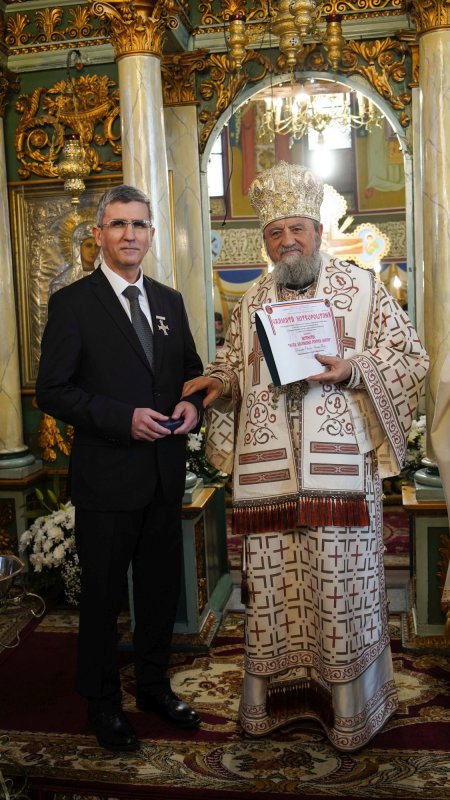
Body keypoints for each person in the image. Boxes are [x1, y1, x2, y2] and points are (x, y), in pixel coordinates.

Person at [183, 161, 429, 752]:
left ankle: (350, 711)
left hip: (341, 482)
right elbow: (235, 364)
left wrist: (354, 369)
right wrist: (220, 381)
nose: (287, 240)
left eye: (297, 228)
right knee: (275, 597)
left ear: (318, 231)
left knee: (340, 594)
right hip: (271, 482)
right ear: (266, 242)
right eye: (275, 232)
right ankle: (278, 703)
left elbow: (411, 358)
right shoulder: (251, 300)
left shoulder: (363, 290)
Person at [36, 184, 205, 753]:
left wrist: (193, 406)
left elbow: (190, 373)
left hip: (163, 474)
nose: (130, 234)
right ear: (99, 234)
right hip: (107, 478)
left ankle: (154, 687)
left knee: (158, 593)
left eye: (139, 225)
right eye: (118, 224)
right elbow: (53, 390)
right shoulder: (73, 304)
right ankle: (103, 703)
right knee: (103, 599)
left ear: (151, 235)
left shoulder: (169, 300)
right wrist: (121, 419)